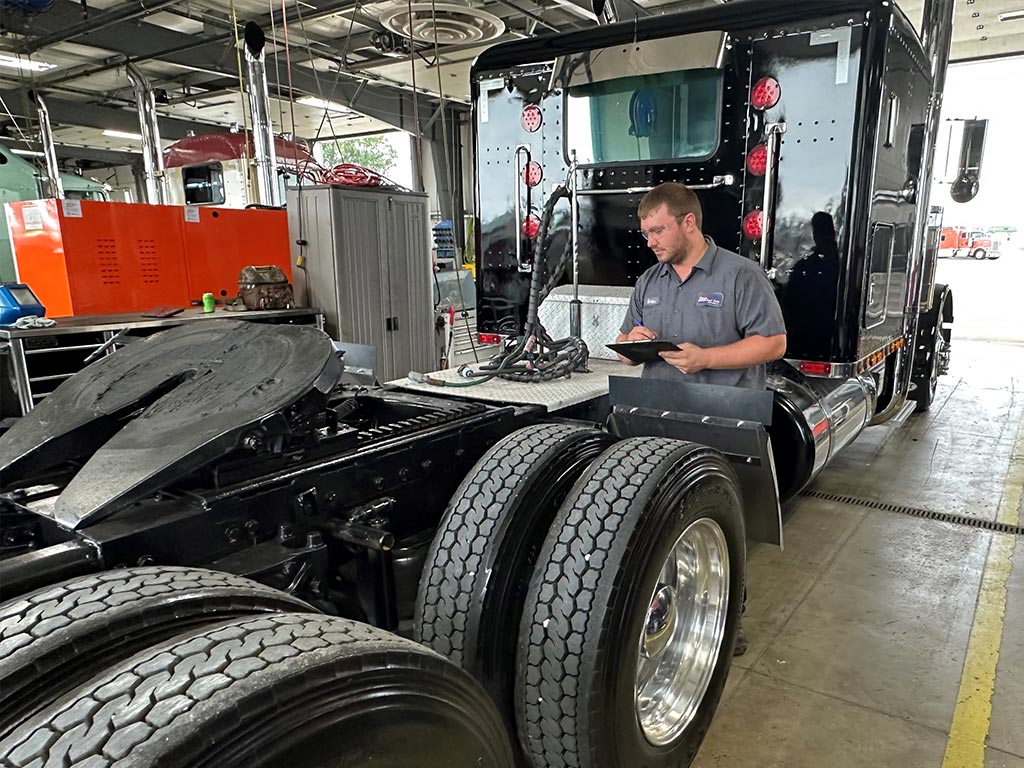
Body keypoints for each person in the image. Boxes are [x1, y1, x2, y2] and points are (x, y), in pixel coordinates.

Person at [615, 182, 787, 655]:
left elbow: (772, 343)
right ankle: (666, 608)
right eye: (645, 232)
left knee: (722, 522)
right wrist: (632, 341)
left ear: (688, 222)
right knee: (662, 520)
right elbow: (627, 343)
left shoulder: (739, 275)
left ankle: (728, 621)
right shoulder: (651, 280)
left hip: (722, 420)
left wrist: (706, 358)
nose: (649, 240)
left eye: (657, 230)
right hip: (658, 419)